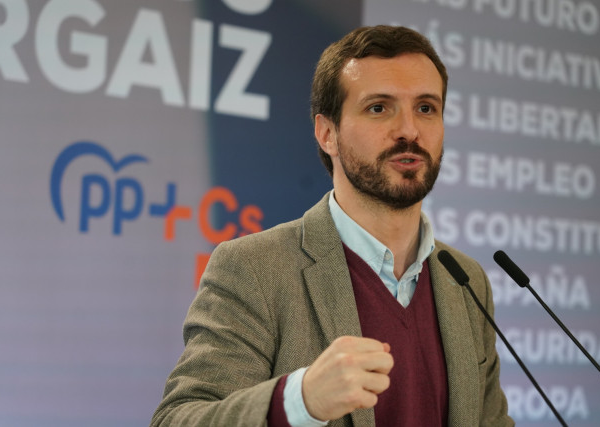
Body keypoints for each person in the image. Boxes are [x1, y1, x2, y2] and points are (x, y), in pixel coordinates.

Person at [150, 25, 514, 427]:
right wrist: (299, 401)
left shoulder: (465, 281)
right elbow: (177, 420)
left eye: (426, 108)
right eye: (379, 107)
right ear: (327, 134)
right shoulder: (254, 268)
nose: (410, 130)